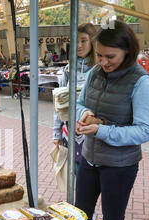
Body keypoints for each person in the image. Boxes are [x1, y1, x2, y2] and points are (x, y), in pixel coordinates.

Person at [75, 20, 149, 220]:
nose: (103, 62)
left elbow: (144, 130)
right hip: (89, 157)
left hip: (119, 165)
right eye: (100, 55)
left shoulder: (141, 83)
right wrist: (84, 114)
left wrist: (101, 130)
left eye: (110, 57)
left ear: (128, 51)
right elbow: (79, 103)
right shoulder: (94, 73)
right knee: (80, 215)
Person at [53, 23, 97, 174]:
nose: (79, 45)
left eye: (83, 40)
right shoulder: (67, 70)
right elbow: (58, 104)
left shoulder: (100, 69)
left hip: (93, 133)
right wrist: (56, 133)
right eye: (75, 41)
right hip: (70, 133)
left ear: (93, 41)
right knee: (75, 178)